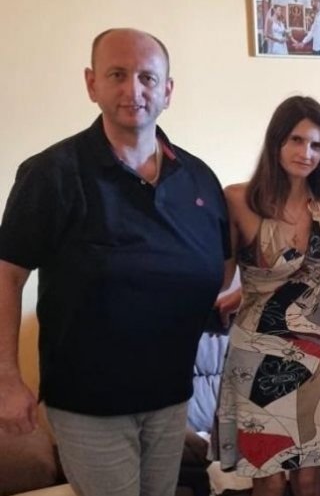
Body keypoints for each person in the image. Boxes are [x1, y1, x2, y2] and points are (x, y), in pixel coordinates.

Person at [0, 28, 229, 496]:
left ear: (168, 90)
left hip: (170, 398)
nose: (133, 90)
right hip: (90, 405)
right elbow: (7, 277)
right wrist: (7, 380)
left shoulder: (198, 178)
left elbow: (222, 267)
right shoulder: (51, 173)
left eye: (148, 77)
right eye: (117, 75)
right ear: (92, 84)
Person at [211, 96, 320, 496]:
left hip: (317, 360)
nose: (306, 153)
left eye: (316, 145)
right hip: (257, 355)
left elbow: (311, 270)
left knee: (311, 477)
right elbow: (221, 276)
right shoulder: (237, 199)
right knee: (267, 477)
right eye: (296, 140)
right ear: (276, 142)